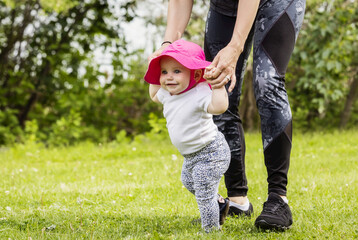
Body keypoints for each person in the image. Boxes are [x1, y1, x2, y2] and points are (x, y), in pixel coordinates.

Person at [148, 0, 306, 231]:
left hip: (276, 3)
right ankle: (237, 200)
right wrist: (167, 45)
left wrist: (236, 45)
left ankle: (277, 198)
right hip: (225, 7)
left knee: (267, 82)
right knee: (217, 84)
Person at [144, 39, 232, 232]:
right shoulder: (168, 93)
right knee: (189, 182)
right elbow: (153, 95)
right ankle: (218, 203)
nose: (169, 77)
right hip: (191, 156)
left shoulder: (200, 92)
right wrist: (154, 65)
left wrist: (217, 87)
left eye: (177, 71)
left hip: (212, 151)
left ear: (197, 73)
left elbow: (219, 107)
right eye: (164, 72)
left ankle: (211, 229)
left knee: (202, 186)